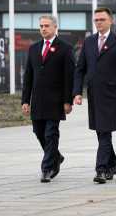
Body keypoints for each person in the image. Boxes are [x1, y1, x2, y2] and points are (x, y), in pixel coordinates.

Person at [73, 7, 116, 184]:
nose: (99, 23)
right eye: (96, 20)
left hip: (111, 94)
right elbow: (80, 69)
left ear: (110, 21)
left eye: (102, 19)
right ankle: (112, 163)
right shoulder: (89, 42)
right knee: (101, 131)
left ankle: (101, 169)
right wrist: (77, 92)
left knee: (105, 131)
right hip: (94, 94)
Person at [21, 15, 75, 183]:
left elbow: (69, 76)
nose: (43, 29)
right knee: (38, 131)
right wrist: (25, 100)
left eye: (46, 26)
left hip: (56, 100)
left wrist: (68, 100)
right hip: (37, 100)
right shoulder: (34, 48)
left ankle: (47, 168)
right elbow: (28, 76)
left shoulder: (65, 48)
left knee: (51, 133)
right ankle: (56, 156)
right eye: (41, 26)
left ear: (54, 27)